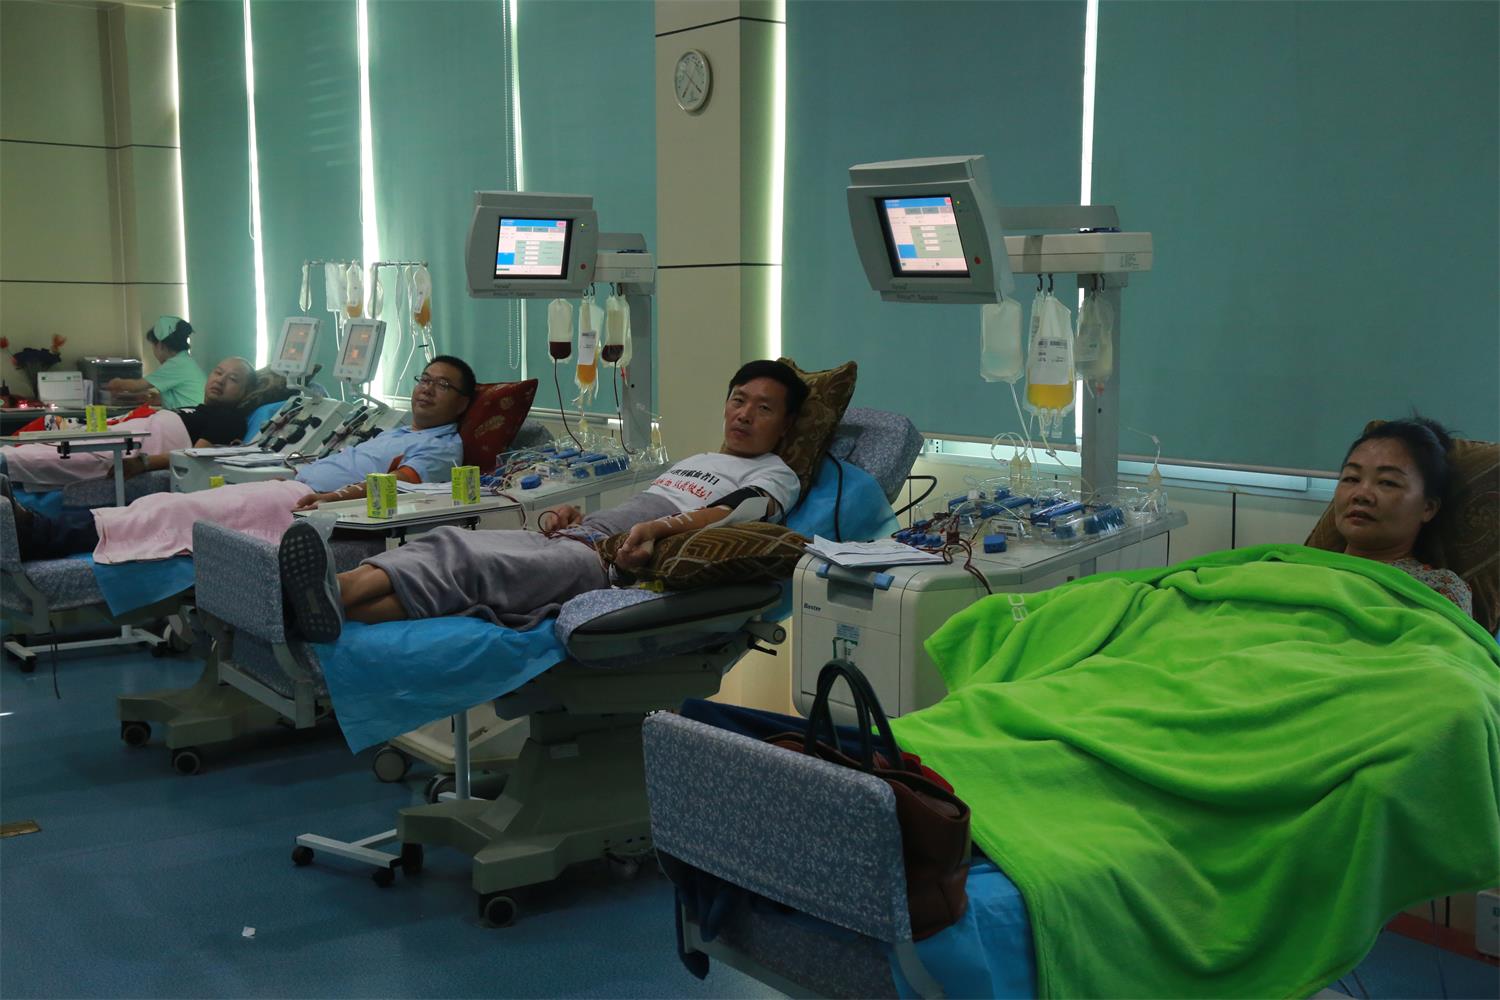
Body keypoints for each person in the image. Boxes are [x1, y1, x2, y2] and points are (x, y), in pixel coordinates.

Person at [278, 359, 808, 641]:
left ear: (785, 426)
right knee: (449, 548)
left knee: (468, 558)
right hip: (580, 536)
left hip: (602, 564)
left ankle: (324, 592)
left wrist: (654, 531)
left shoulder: (774, 474)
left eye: (763, 408)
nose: (744, 414)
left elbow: (738, 512)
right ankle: (324, 612)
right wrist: (578, 514)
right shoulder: (697, 459)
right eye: (738, 400)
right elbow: (640, 507)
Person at [7, 356, 476, 563]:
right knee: (165, 507)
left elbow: (396, 491)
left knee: (179, 513)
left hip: (306, 503)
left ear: (463, 403)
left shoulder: (440, 447)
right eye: (424, 379)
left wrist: (328, 499)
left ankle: (41, 535)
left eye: (442, 385)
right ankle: (39, 526)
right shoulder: (401, 429)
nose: (426, 389)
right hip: (292, 487)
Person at [0, 358, 283, 491]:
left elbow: (197, 455)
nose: (220, 380)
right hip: (126, 433)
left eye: (232, 379)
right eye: (218, 372)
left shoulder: (229, 418)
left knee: (40, 457)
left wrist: (143, 463)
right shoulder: (199, 409)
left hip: (131, 448)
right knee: (38, 444)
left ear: (245, 392)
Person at [1332, 416, 1472, 616]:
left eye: (1387, 482)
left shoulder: (1437, 589)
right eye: (1351, 478)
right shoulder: (1301, 565)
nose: (1361, 494)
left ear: (1428, 508)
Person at [106, 316, 207, 409]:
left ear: (160, 345)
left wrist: (117, 383)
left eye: (153, 346)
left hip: (192, 419)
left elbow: (135, 386)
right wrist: (158, 398)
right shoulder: (184, 361)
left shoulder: (175, 364)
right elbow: (182, 394)